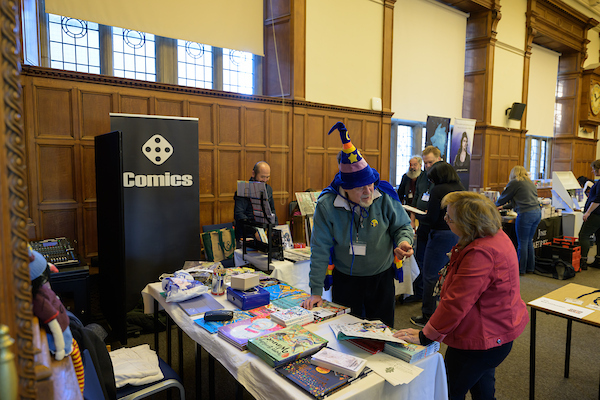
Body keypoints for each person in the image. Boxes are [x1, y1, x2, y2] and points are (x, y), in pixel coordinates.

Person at [394, 192, 528, 400]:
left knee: (447, 391)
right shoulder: (494, 236)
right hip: (494, 332)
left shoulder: (481, 253)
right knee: (482, 389)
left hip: (479, 339)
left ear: (468, 223)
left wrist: (426, 336)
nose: (445, 220)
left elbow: (456, 303)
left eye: (450, 218)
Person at [301, 122, 414, 327]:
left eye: (370, 184)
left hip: (381, 279)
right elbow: (319, 249)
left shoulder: (384, 196)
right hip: (346, 280)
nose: (368, 192)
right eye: (360, 188)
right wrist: (316, 291)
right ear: (345, 187)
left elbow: (402, 226)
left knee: (382, 332)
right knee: (346, 332)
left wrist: (403, 241)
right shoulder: (327, 205)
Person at [411, 162, 464, 327]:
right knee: (450, 274)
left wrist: (417, 215)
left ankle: (428, 314)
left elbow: (432, 219)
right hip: (457, 234)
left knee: (430, 275)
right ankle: (444, 312)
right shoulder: (460, 187)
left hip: (440, 235)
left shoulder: (438, 190)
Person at [405, 146, 443, 303]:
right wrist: (412, 219)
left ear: (439, 159)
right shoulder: (422, 177)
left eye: (430, 162)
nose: (427, 166)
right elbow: (417, 197)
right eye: (426, 163)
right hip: (421, 222)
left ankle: (432, 295)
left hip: (436, 226)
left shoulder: (442, 177)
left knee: (433, 263)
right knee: (419, 258)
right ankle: (419, 292)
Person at [496, 165, 541, 275]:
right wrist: (503, 207)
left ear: (513, 173)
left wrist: (493, 205)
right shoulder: (530, 182)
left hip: (526, 214)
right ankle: (530, 268)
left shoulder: (515, 182)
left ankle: (520, 270)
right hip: (537, 213)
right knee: (528, 241)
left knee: (522, 242)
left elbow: (503, 198)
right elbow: (517, 201)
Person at [233, 161, 278, 240]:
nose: (265, 180)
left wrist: (274, 228)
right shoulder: (243, 190)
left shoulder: (268, 189)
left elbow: (272, 210)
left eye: (267, 177)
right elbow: (239, 214)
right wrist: (255, 231)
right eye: (262, 177)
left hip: (264, 231)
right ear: (253, 174)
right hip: (247, 234)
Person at [579, 160, 600, 269]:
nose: (592, 171)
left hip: (596, 214)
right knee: (599, 236)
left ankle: (582, 260)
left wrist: (588, 212)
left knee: (583, 235)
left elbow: (598, 200)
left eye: (594, 169)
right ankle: (598, 260)